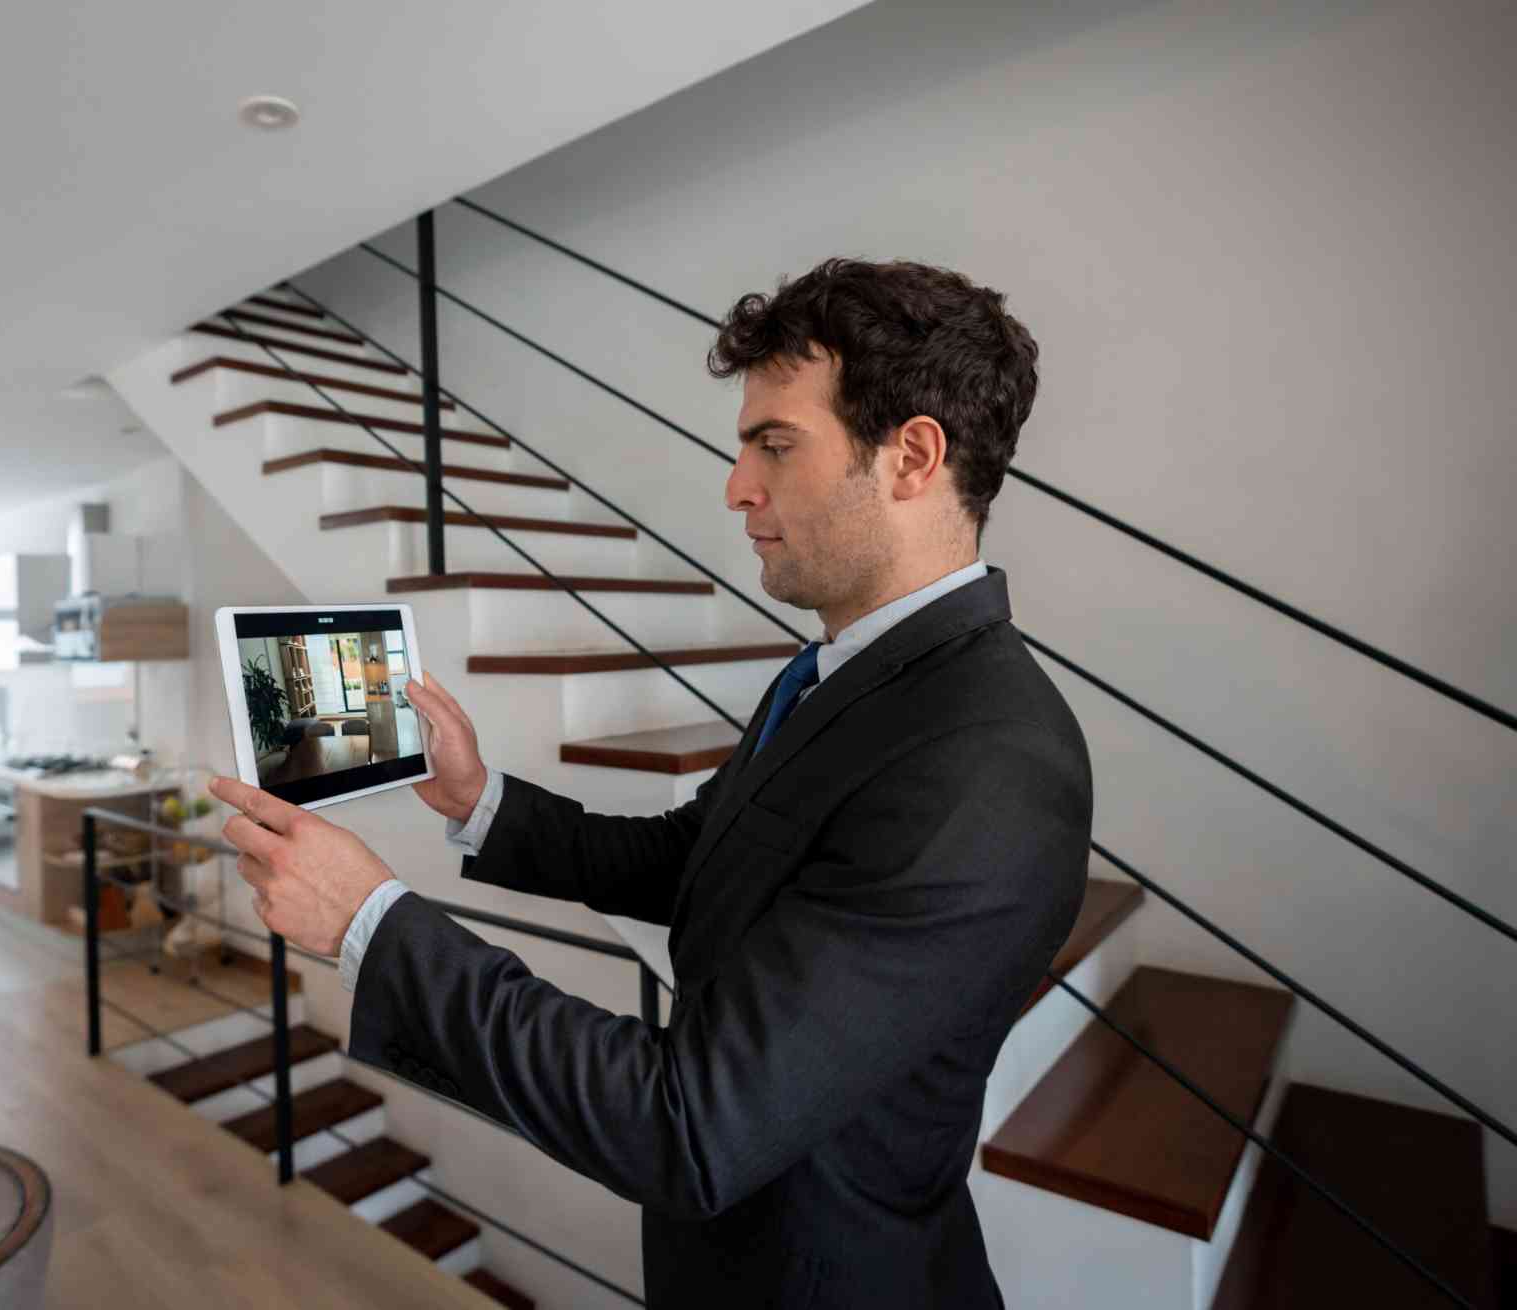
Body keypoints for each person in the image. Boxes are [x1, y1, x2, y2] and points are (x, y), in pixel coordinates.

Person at [208, 256, 1092, 1308]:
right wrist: (477, 798)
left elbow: (691, 1119)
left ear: (909, 456)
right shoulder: (829, 673)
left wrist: (367, 919)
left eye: (773, 445)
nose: (735, 487)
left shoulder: (987, 760)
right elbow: (695, 859)